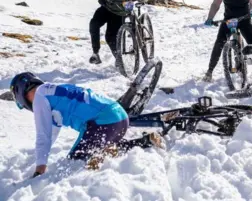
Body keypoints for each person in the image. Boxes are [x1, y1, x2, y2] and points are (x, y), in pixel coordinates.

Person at [9, 72, 163, 177]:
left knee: (74, 163)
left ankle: (91, 185)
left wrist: (39, 170)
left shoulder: (39, 97)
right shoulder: (51, 92)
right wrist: (37, 160)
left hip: (103, 122)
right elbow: (50, 135)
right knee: (101, 149)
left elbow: (43, 135)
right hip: (119, 117)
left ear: (20, 93)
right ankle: (145, 141)